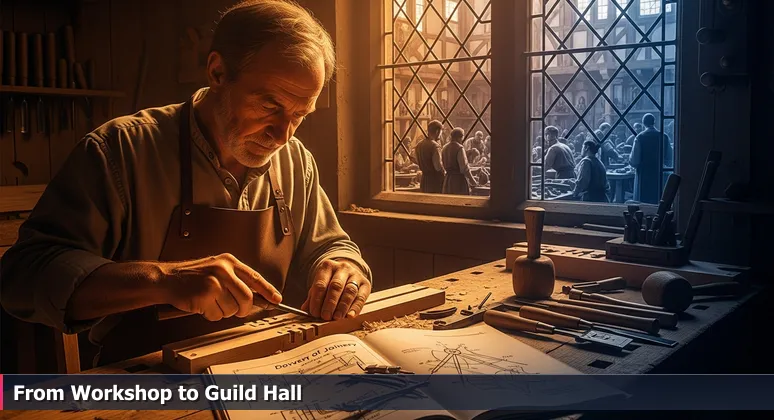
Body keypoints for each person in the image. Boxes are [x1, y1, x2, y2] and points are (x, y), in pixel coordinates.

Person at [0, 0, 373, 366]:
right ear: (216, 72)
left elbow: (331, 244)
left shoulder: (294, 161)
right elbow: (23, 275)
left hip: (262, 366)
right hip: (148, 378)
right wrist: (163, 279)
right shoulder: (120, 150)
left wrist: (342, 267)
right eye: (269, 106)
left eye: (299, 114)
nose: (283, 135)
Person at [631, 113, 672, 204]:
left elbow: (634, 160)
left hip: (644, 173)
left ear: (643, 123)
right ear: (654, 122)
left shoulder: (640, 137)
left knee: (643, 202)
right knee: (658, 199)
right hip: (659, 172)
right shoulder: (664, 136)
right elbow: (669, 157)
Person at [442, 128, 477, 195]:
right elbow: (464, 168)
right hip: (458, 181)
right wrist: (473, 181)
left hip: (448, 180)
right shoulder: (459, 148)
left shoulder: (444, 147)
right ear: (460, 137)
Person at [414, 120, 445, 193]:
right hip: (435, 181)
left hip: (424, 180)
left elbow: (417, 161)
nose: (441, 135)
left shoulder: (419, 145)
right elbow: (438, 167)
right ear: (437, 131)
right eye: (441, 132)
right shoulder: (435, 146)